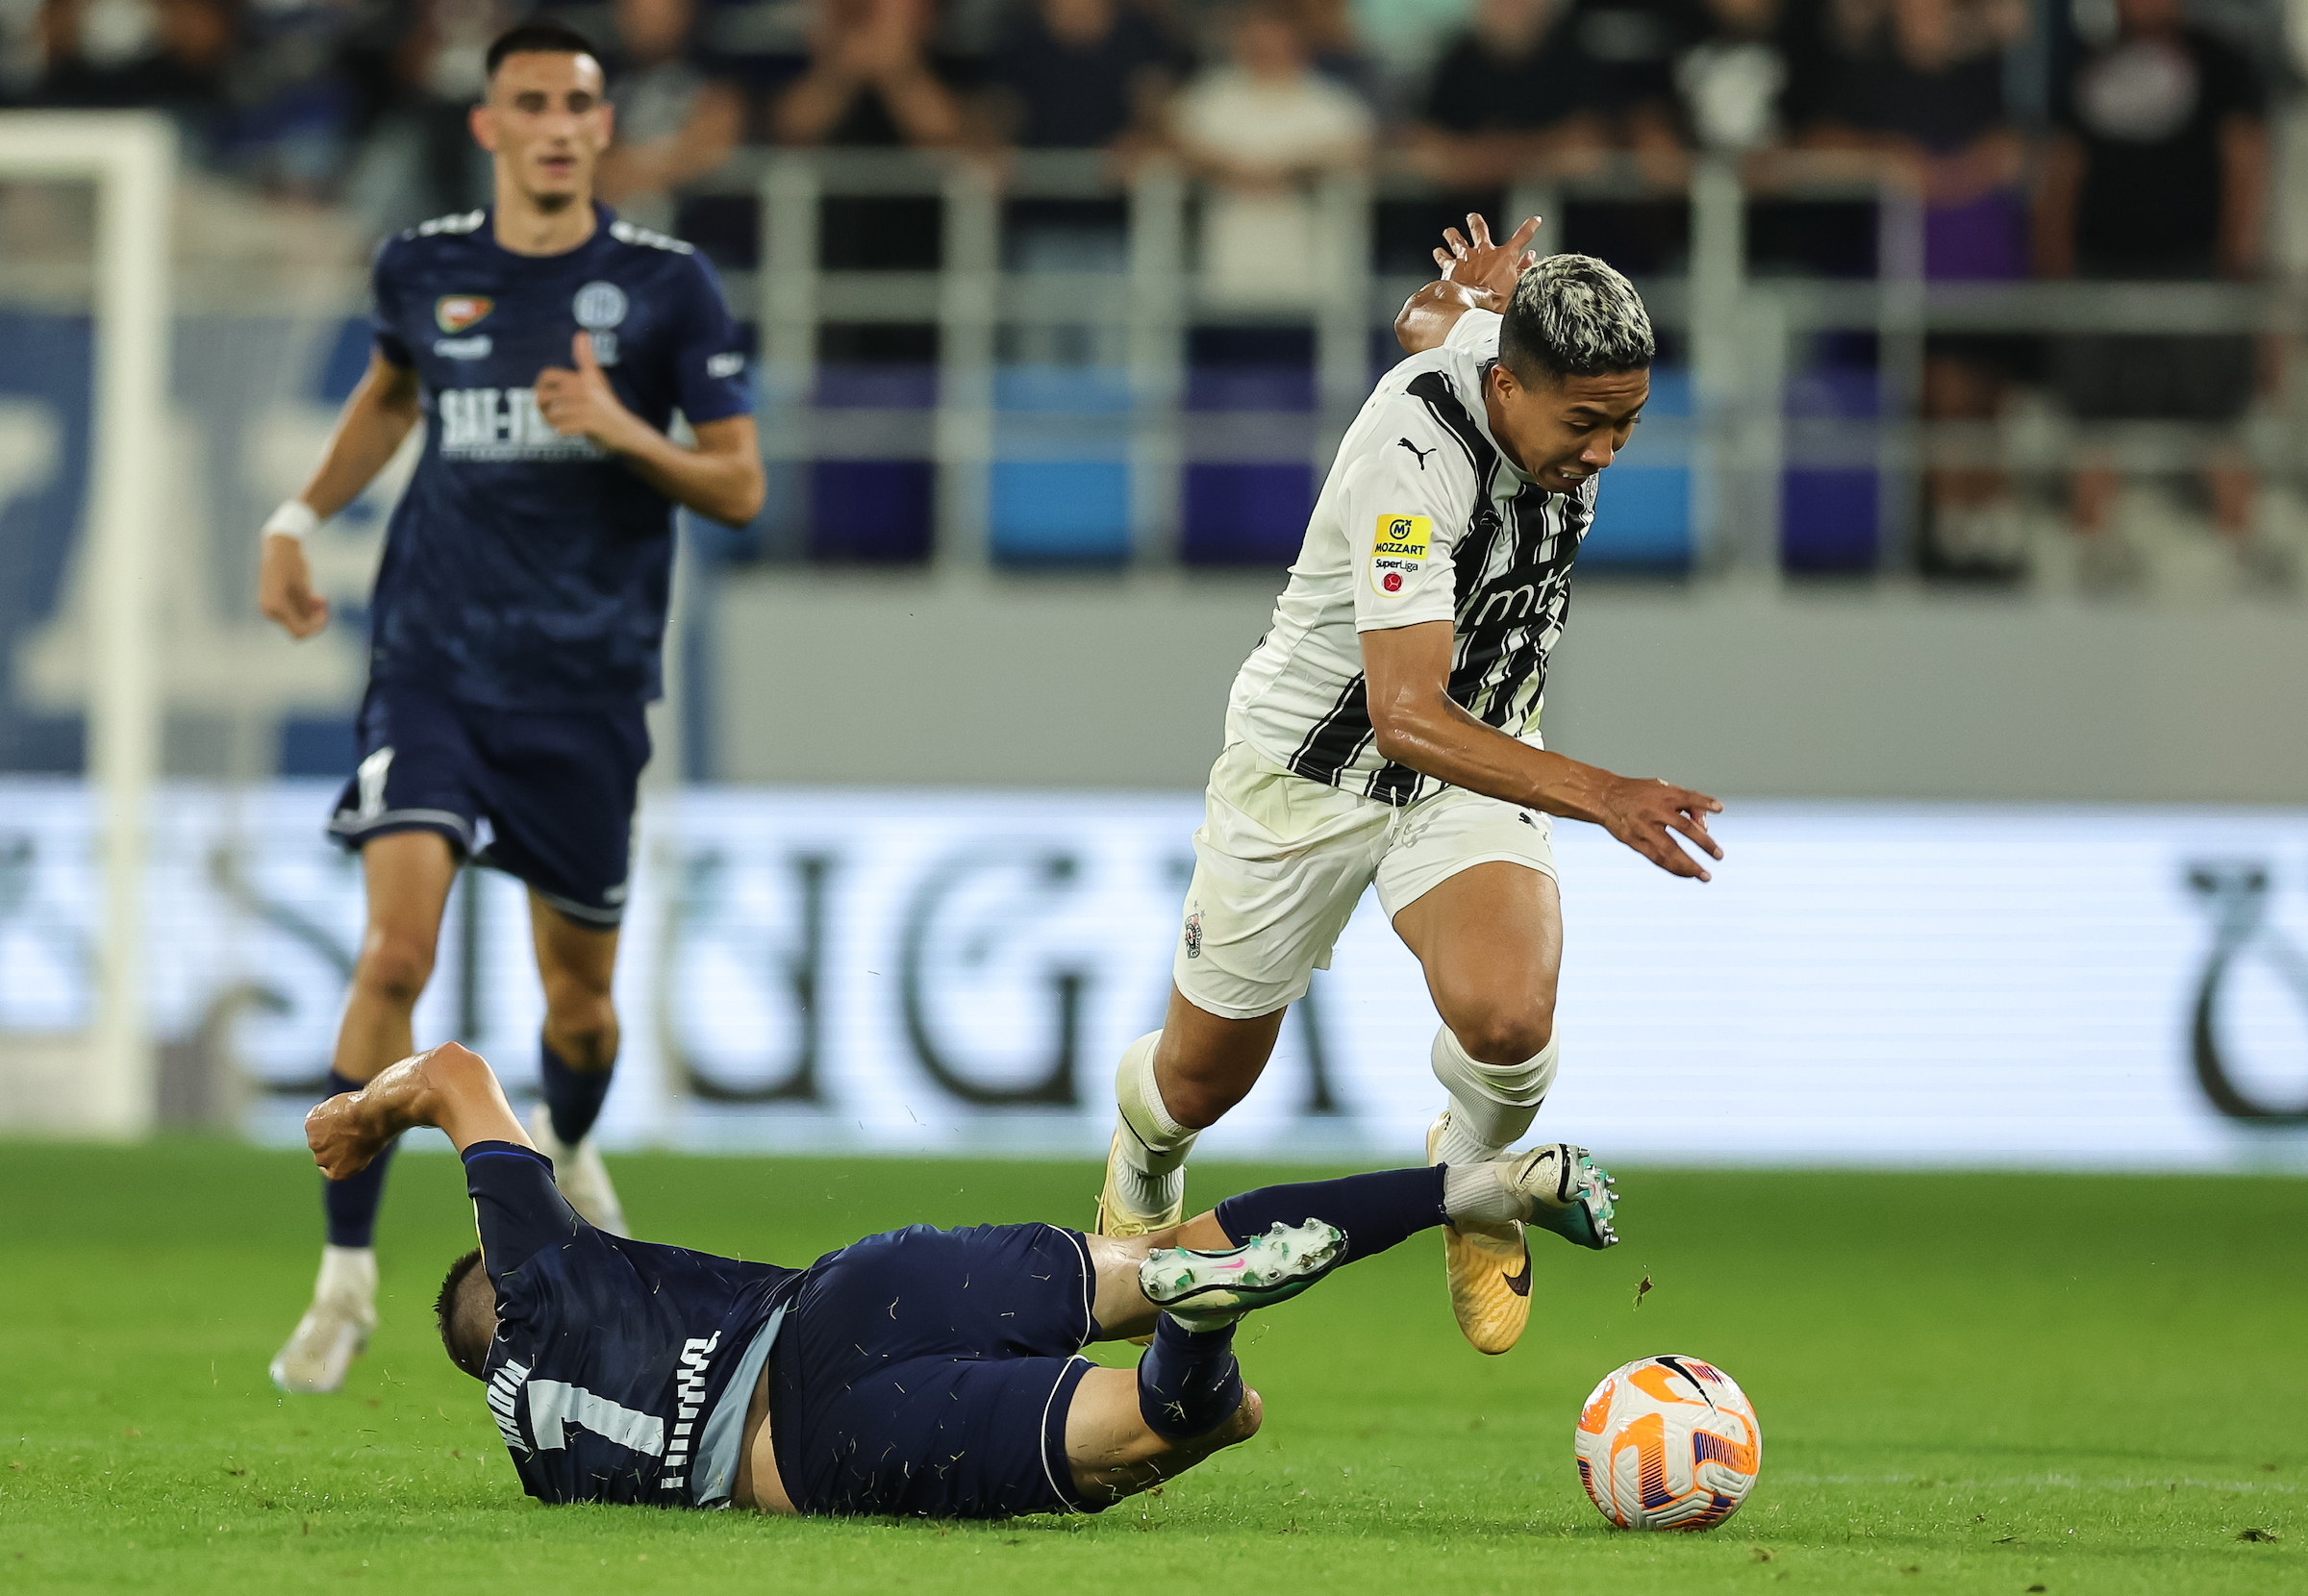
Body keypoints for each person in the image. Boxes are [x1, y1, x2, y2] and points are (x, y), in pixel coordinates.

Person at [1095, 215, 1718, 1359]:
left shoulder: (1501, 357)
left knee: (1511, 1019)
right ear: (1509, 388)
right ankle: (1143, 1157)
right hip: (1312, 773)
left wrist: (1457, 299)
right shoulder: (1412, 456)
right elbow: (1404, 716)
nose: (1604, 453)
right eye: (1585, 424)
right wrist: (1604, 795)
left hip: (1469, 767)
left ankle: (1472, 1186)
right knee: (1198, 1082)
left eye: (1627, 424)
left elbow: (1433, 320)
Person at [255, 19, 765, 1395]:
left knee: (579, 1005)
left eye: (576, 104)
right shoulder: (423, 265)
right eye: (528, 103)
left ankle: (573, 1132)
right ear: (488, 126)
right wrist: (298, 517)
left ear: (604, 128)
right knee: (392, 957)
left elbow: (738, 485)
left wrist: (623, 429)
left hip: (584, 692)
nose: (554, 125)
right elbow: (388, 395)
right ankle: (345, 1276)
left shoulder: (665, 288)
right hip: (432, 667)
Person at [305, 1040, 1620, 1515]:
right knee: (1162, 1255)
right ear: (501, 1276)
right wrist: (365, 1116)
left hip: (819, 1446)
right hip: (847, 1294)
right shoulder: (544, 1260)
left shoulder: (541, 1466)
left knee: (1181, 1425)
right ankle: (1472, 1187)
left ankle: (1201, 1343)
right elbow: (456, 1074)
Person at [2034, 0, 2273, 587]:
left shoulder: (2222, 62)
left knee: (2218, 416)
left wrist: (2236, 265)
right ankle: (2088, 557)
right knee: (2091, 419)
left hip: (2196, 270)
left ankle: (2244, 555)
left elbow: (2246, 160)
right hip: (2100, 269)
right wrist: (2053, 265)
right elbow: (2063, 167)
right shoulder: (2085, 62)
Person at [1168, 0, 1374, 310]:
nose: (1265, 45)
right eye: (1254, 34)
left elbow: (1357, 152)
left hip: (1312, 279)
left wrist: (1286, 171)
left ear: (1297, 37)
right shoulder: (1209, 99)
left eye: (1275, 33)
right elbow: (1176, 145)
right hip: (1222, 275)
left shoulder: (1332, 104)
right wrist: (1235, 170)